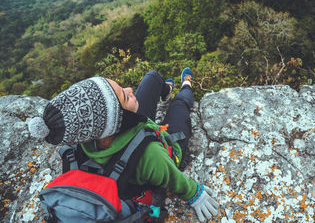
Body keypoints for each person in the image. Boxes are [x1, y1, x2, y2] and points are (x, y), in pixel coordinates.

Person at [28, 68, 219, 222]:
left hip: (126, 135)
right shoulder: (151, 155)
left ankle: (165, 91)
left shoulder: (86, 137)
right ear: (121, 118)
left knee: (152, 77)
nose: (130, 89)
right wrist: (194, 193)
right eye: (125, 96)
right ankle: (186, 86)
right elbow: (172, 177)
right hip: (162, 149)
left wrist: (126, 102)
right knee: (179, 107)